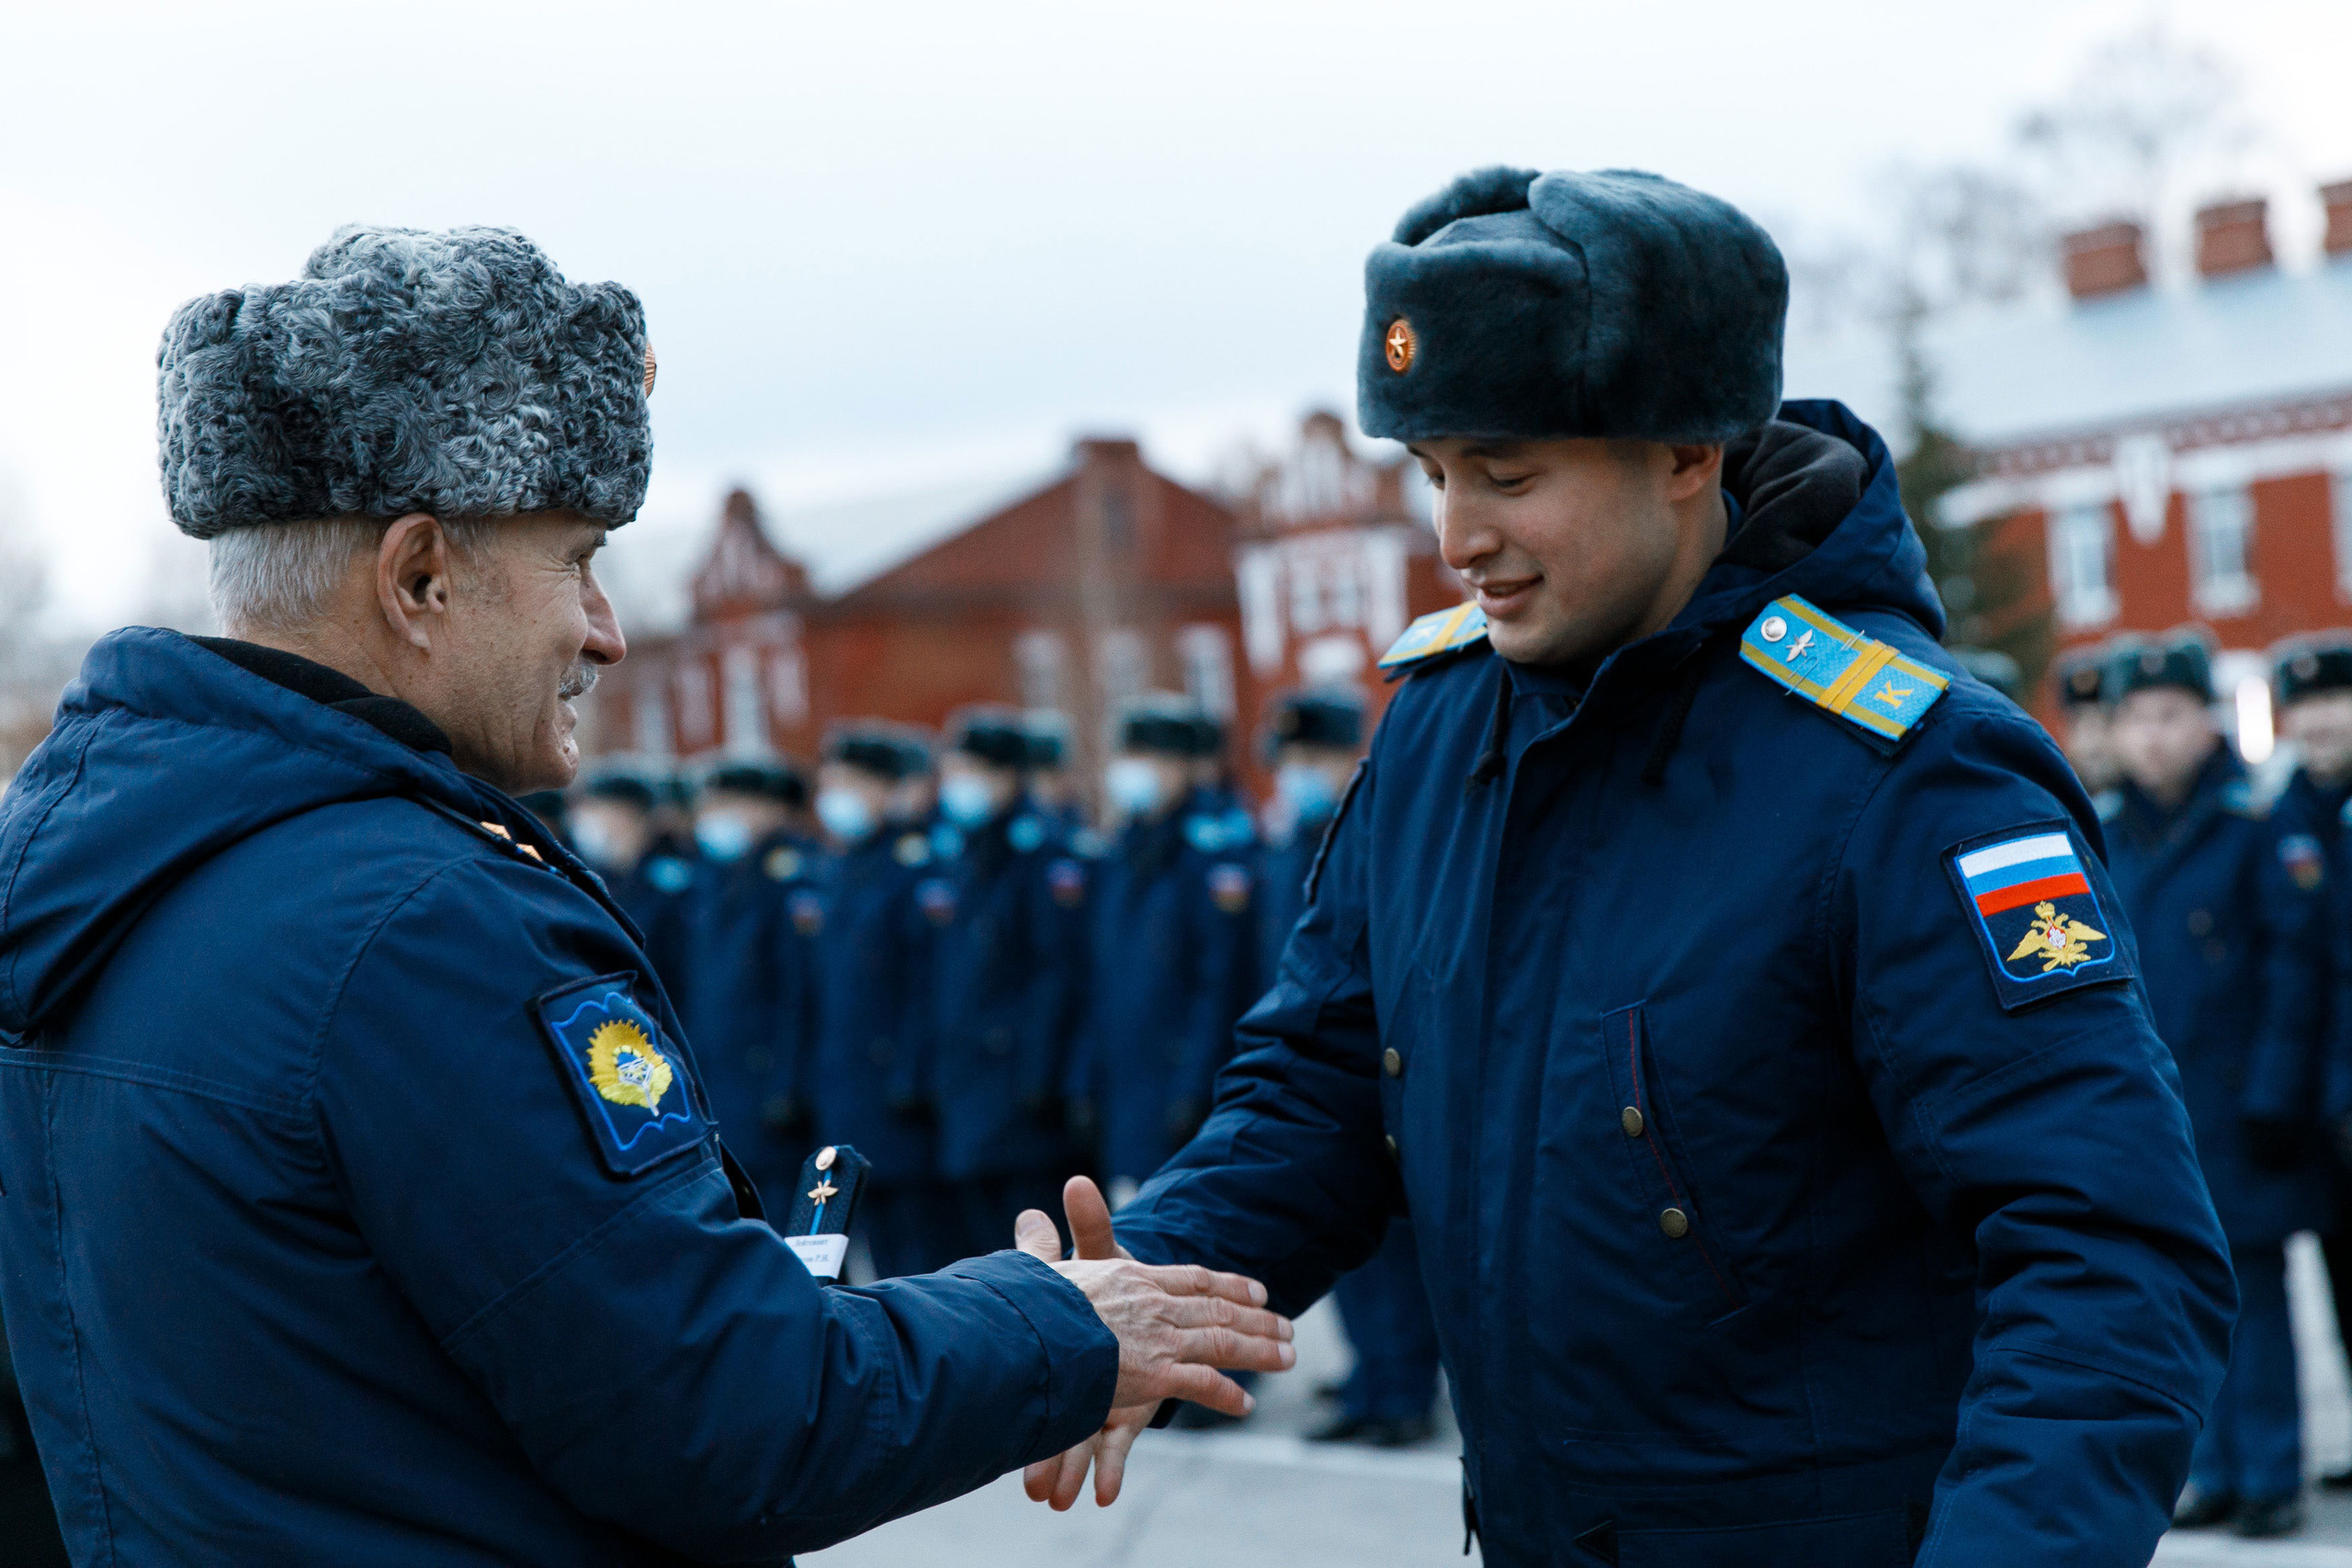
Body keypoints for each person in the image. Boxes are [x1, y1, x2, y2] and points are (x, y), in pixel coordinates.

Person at [0, 225, 1293, 1564]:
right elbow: (726, 1411)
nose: (607, 629)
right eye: (577, 559)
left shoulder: (88, 884)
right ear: (420, 577)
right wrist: (1062, 1328)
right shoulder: (417, 927)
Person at [1023, 167, 2233, 1565]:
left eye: (1509, 473)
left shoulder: (1910, 773)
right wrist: (1121, 1302)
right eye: (1431, 475)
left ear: (1687, 451)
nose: (1458, 538)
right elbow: (1323, 1091)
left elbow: (2107, 1252)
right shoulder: (1440, 728)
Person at [2098, 631, 2329, 1539]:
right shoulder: (2102, 834)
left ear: (2205, 721)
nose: (2151, 737)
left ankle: (2270, 1474)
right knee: (2172, 1302)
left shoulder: (2250, 824)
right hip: (2154, 1112)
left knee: (2254, 1298)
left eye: (2168, 715)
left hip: (2241, 1104)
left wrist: (2277, 1091)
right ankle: (2211, 1470)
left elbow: (2292, 968)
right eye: (2133, 719)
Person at [1256, 689, 1445, 1448]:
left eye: (1312, 758)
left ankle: (1400, 1392)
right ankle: (1373, 1376)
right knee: (1341, 1242)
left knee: (1389, 1246)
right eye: (1289, 760)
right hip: (1312, 1065)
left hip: (1375, 1070)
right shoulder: (1291, 839)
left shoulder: (1381, 833)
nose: (1297, 773)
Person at [1068, 695, 1257, 1208]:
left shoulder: (1210, 857)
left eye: (1149, 759)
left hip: (1181, 1088)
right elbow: (1098, 980)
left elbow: (1219, 986)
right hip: (1126, 1086)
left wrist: (1194, 1088)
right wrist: (1084, 1078)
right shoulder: (1120, 854)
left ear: (1182, 767)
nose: (1134, 773)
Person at [932, 707, 1085, 1259]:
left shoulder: (1041, 853)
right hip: (971, 1089)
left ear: (1005, 775)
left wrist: (1043, 1077)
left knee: (1039, 1253)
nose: (957, 787)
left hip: (1023, 1093)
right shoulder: (963, 851)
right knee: (983, 1257)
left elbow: (1057, 975)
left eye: (970, 771)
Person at [810, 724, 960, 1277]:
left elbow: (928, 989)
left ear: (884, 788)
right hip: (846, 1089)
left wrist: (912, 1078)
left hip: (900, 1096)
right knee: (864, 1257)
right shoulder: (837, 867)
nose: (836, 798)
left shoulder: (913, 867)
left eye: (850, 783)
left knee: (920, 1258)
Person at [684, 760, 821, 1199]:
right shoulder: (717, 879)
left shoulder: (791, 880)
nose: (715, 817)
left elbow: (797, 996)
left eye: (731, 805)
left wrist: (786, 1087)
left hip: (769, 1086)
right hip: (725, 1083)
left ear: (768, 809)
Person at [567, 768, 696, 1002]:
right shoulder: (587, 878)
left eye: (605, 812)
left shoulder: (673, 883)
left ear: (635, 818)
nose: (593, 823)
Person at [2052, 643, 2118, 793]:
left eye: (2104, 721)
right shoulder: (2053, 800)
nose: (2093, 742)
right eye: (2079, 724)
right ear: (2063, 731)